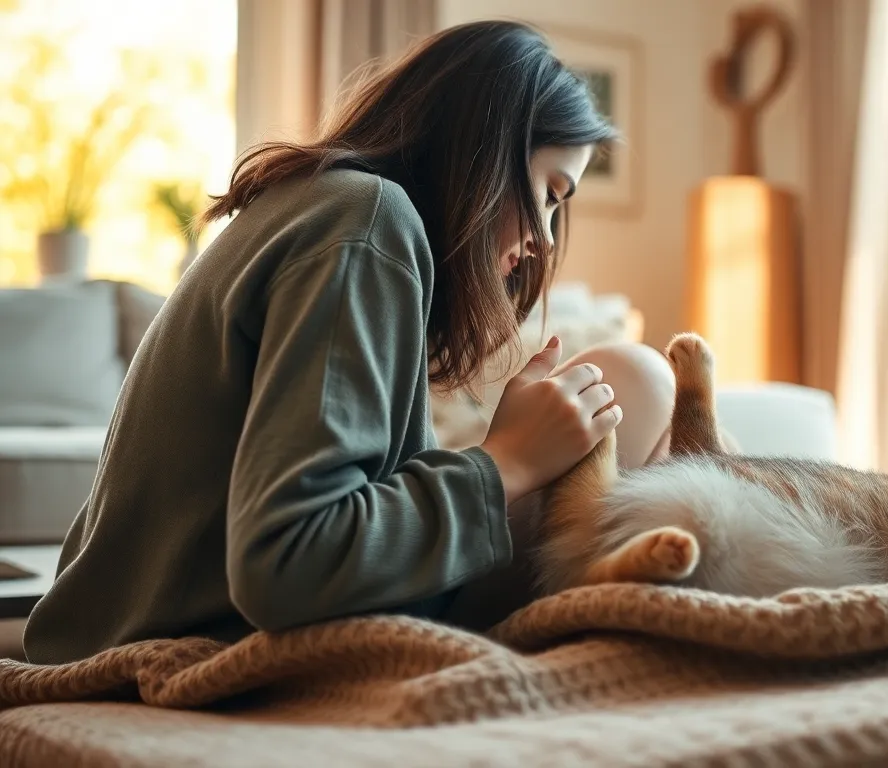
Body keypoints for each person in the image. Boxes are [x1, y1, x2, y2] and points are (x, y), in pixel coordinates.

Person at [22, 20, 678, 665]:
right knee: (635, 380)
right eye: (549, 192)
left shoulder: (327, 209)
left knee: (632, 396)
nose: (546, 239)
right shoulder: (364, 219)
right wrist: (506, 462)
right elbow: (285, 563)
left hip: (129, 621)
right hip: (193, 633)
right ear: (483, 148)